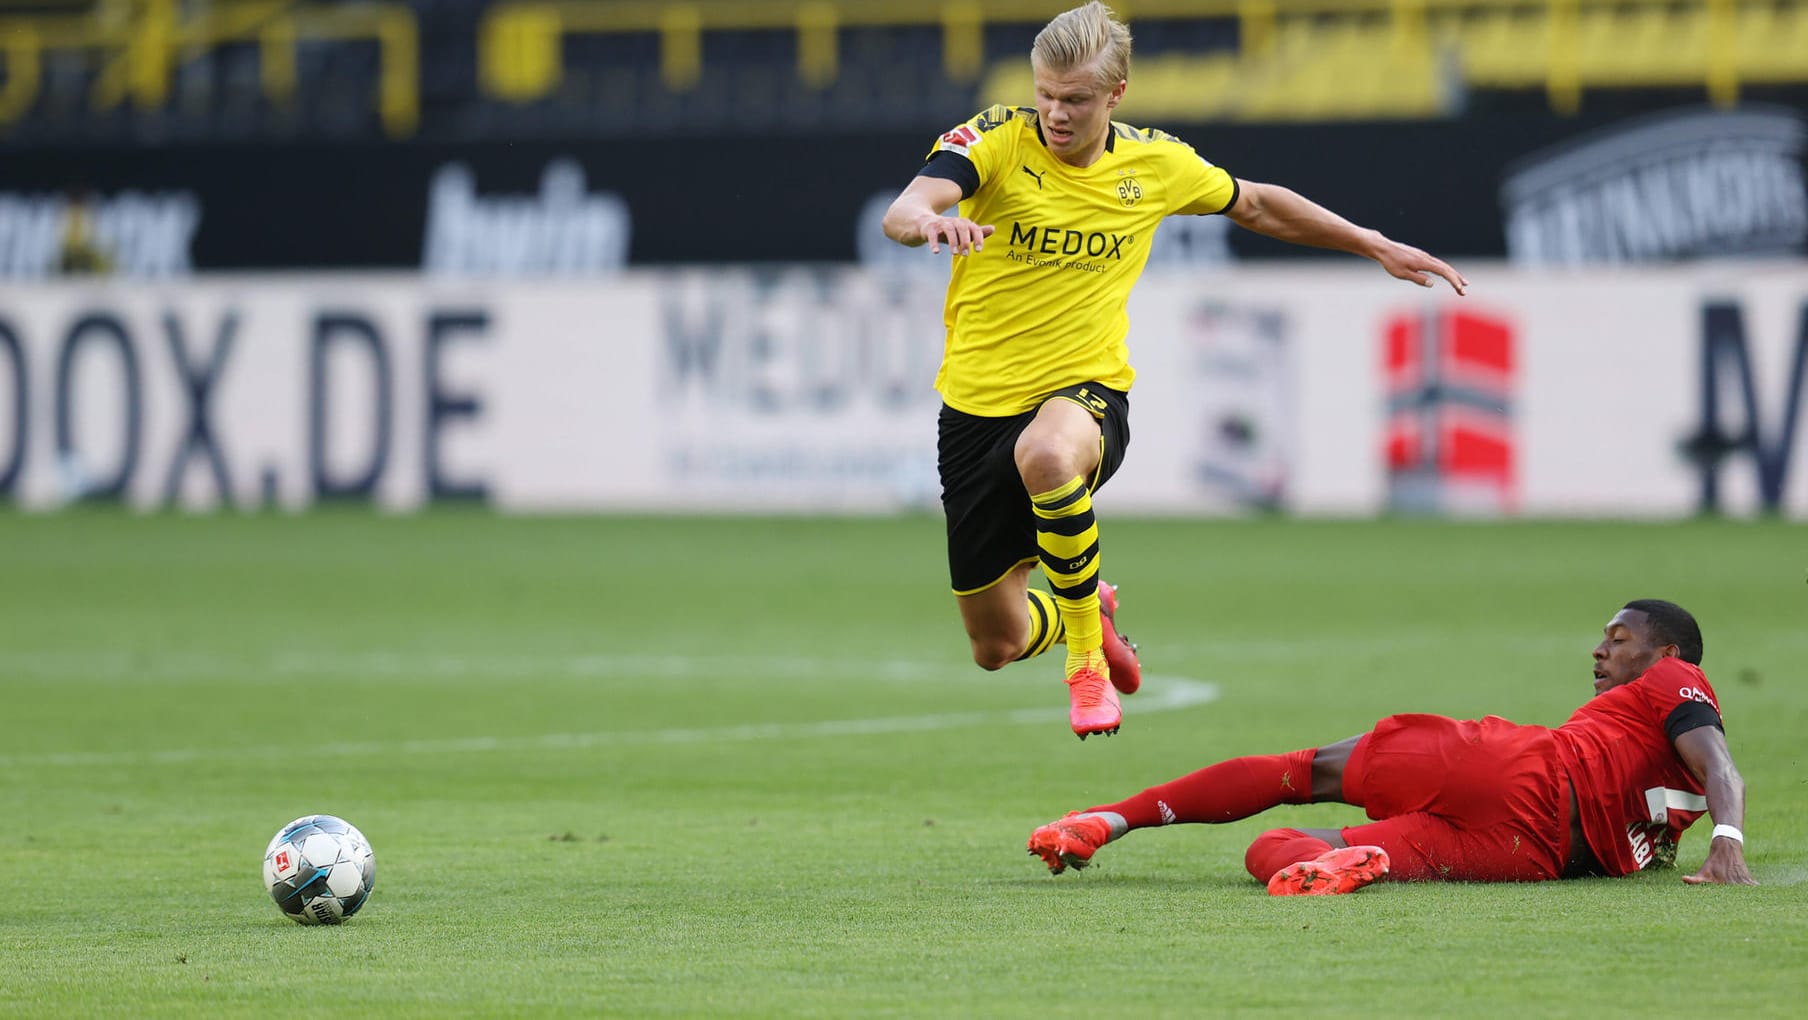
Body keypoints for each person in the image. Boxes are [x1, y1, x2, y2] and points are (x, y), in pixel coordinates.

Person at [880, 2, 1467, 739]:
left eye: (1076, 100)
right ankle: (1082, 612)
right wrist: (929, 221)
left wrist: (1370, 242)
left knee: (1048, 451)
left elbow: (1255, 204)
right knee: (994, 644)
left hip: (1084, 396)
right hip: (973, 413)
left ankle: (1088, 663)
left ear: (1116, 95)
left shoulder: (1155, 164)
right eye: (1046, 94)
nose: (1056, 114)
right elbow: (906, 207)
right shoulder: (996, 138)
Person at [1027, 599, 1758, 894]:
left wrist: (1729, 841)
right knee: (1276, 848)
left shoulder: (1674, 678)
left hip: (1513, 769)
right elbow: (1675, 797)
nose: (1600, 652)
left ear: (1665, 653)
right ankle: (1343, 863)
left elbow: (1720, 763)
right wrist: (1681, 842)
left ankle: (1108, 819)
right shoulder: (1658, 795)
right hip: (1532, 857)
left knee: (1298, 772)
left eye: (1618, 640)